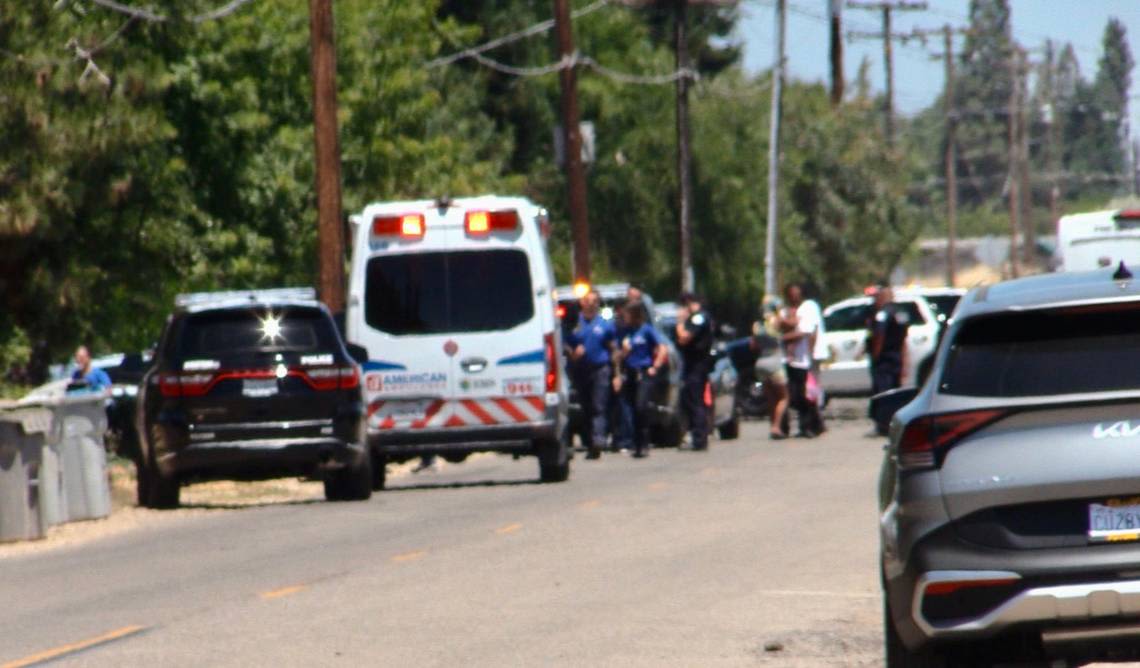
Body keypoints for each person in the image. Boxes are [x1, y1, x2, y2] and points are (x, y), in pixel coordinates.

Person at [570, 290, 618, 460]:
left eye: (595, 301)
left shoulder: (606, 322)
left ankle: (598, 441)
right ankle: (590, 442)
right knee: (586, 408)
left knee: (599, 406)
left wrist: (617, 374)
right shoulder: (574, 322)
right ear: (582, 303)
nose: (591, 303)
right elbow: (563, 343)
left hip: (601, 369)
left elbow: (613, 348)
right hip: (580, 370)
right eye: (588, 300)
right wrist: (572, 352)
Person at [616, 301, 668, 458]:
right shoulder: (626, 332)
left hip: (643, 373)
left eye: (628, 315)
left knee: (641, 407)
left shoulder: (646, 330)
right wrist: (624, 352)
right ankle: (635, 444)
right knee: (631, 409)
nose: (625, 318)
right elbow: (617, 356)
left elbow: (662, 348)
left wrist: (655, 366)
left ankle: (644, 442)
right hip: (630, 373)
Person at [777, 284, 825, 438]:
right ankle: (794, 427)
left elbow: (805, 332)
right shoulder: (786, 311)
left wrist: (782, 338)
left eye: (796, 294)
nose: (793, 297)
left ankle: (809, 427)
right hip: (789, 360)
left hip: (803, 360)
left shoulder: (807, 309)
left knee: (805, 395)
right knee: (792, 395)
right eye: (791, 295)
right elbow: (779, 325)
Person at [867, 285, 910, 434]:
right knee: (896, 391)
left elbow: (879, 336)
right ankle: (894, 422)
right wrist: (905, 362)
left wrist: (875, 356)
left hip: (884, 359)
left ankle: (883, 424)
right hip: (896, 358)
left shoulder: (882, 314)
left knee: (882, 392)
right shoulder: (901, 312)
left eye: (878, 297)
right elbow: (904, 339)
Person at [674, 292, 714, 451]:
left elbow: (684, 337)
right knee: (689, 399)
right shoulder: (699, 317)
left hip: (697, 365)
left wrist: (680, 322)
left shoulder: (698, 318)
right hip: (693, 365)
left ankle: (699, 438)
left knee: (695, 400)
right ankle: (695, 434)